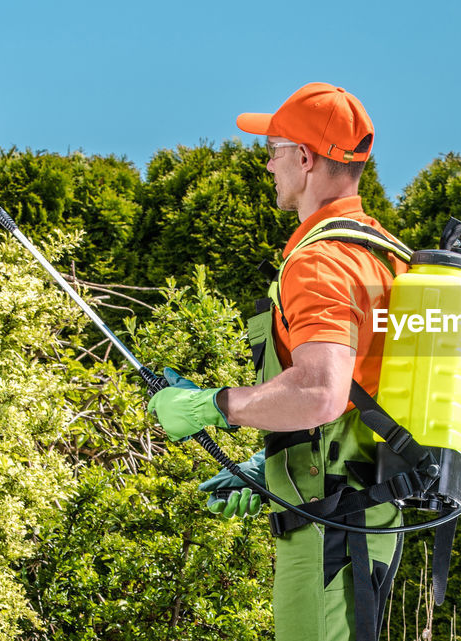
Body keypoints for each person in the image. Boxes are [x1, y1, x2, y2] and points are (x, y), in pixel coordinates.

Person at [149, 82, 408, 641]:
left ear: (306, 158)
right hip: (368, 512)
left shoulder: (320, 261)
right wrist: (269, 470)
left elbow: (321, 393)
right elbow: (364, 399)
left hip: (330, 529)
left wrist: (209, 406)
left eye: (274, 148)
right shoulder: (384, 256)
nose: (268, 163)